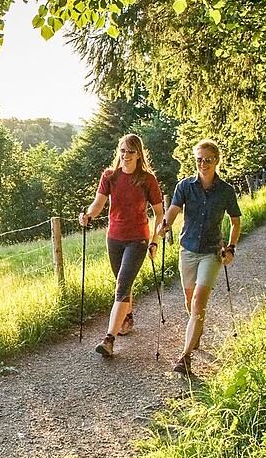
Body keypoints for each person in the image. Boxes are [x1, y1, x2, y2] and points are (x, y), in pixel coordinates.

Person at [156, 139, 241, 375]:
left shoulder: (226, 191)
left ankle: (185, 356)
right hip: (188, 250)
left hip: (212, 252)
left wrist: (231, 247)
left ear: (216, 162)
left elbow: (235, 222)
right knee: (189, 300)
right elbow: (173, 210)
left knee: (198, 302)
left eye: (208, 160)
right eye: (199, 159)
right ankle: (196, 332)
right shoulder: (184, 186)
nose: (203, 164)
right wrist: (165, 225)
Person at [78, 133, 164, 358]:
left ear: (139, 154)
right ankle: (127, 316)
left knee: (122, 287)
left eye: (131, 152)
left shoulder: (147, 180)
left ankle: (109, 339)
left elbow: (159, 213)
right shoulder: (110, 176)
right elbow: (98, 204)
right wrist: (88, 215)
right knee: (122, 284)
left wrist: (155, 241)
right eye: (122, 150)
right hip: (114, 238)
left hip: (138, 239)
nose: (126, 155)